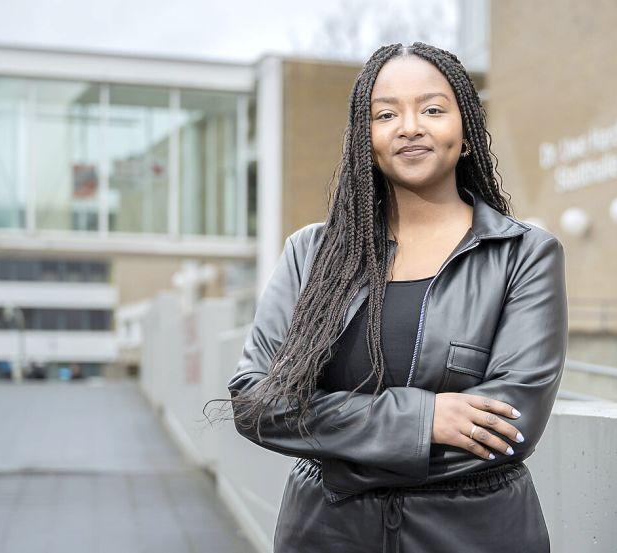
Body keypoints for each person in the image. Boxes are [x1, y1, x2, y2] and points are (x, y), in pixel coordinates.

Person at [225, 42, 567, 552]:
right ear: (368, 140)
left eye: (432, 109)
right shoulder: (310, 253)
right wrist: (425, 419)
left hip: (473, 535)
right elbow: (257, 402)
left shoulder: (524, 254)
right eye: (386, 114)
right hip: (325, 532)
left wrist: (338, 450)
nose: (410, 126)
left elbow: (511, 425)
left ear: (466, 132)